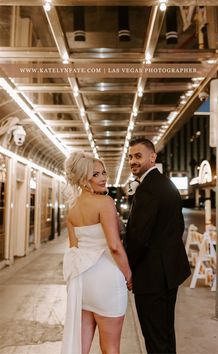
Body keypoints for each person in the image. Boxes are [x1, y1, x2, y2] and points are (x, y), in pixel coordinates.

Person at [61, 151, 132, 354]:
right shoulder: (105, 203)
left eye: (103, 173)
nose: (103, 178)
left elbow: (74, 249)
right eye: (96, 175)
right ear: (84, 180)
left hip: (83, 282)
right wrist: (129, 276)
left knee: (81, 347)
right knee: (110, 347)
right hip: (107, 279)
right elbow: (115, 246)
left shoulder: (72, 208)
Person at [125, 138, 191, 354]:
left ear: (152, 157)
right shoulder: (166, 184)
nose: (133, 161)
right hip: (169, 272)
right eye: (130, 157)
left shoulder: (148, 189)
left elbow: (138, 238)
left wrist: (128, 270)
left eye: (138, 156)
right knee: (165, 333)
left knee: (155, 339)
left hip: (152, 276)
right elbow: (177, 226)